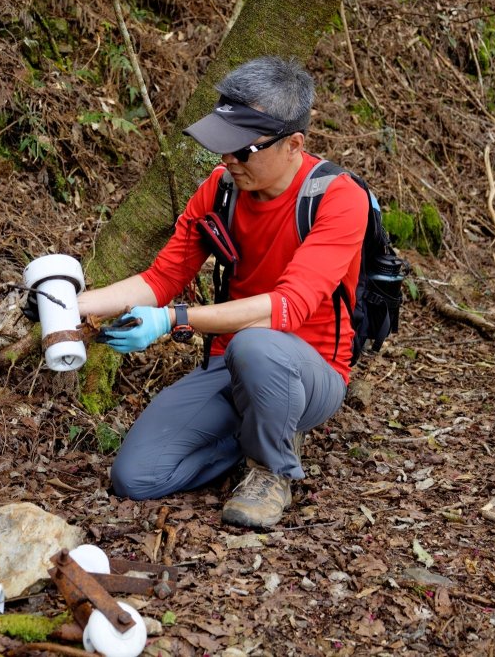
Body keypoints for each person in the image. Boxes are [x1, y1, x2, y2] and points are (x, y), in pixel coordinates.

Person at [75, 56, 367, 528]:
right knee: (136, 476)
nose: (227, 160)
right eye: (222, 147)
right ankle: (259, 432)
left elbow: (286, 309)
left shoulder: (337, 197)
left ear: (294, 144)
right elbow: (160, 279)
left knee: (258, 345)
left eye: (242, 150)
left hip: (310, 372)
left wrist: (175, 320)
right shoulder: (221, 189)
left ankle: (271, 470)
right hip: (229, 369)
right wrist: (72, 305)